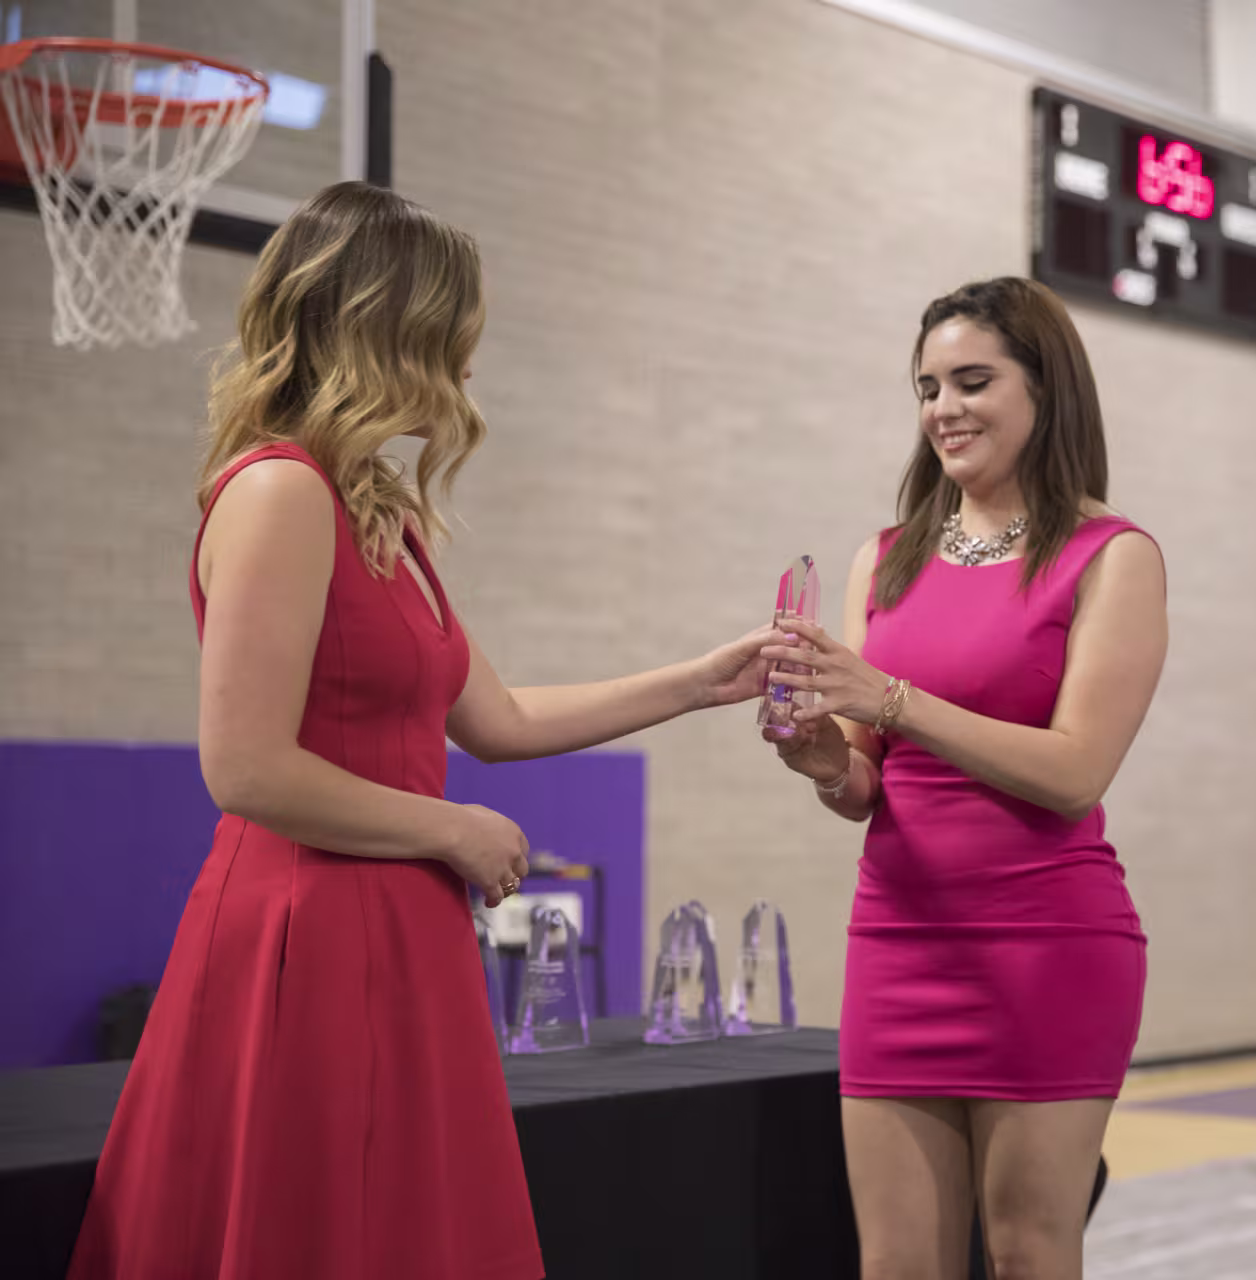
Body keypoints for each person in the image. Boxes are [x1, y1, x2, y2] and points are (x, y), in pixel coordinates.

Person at [66, 180, 778, 1280]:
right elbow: (244, 766)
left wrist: (700, 681)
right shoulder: (280, 493)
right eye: (454, 335)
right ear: (387, 333)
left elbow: (499, 717)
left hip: (400, 927)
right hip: (309, 924)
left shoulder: (377, 506)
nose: (469, 366)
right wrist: (447, 828)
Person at [761, 277, 1167, 1280]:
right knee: (898, 1262)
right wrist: (823, 756)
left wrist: (890, 698)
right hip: (897, 938)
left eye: (973, 380)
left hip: (1046, 942)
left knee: (1030, 1248)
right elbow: (865, 778)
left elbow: (1074, 772)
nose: (944, 408)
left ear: (1045, 388)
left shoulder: (1110, 556)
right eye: (927, 386)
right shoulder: (885, 559)